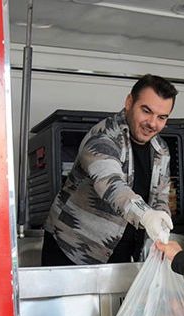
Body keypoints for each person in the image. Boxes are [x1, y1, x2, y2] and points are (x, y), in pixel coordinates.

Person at [42, 74, 177, 265]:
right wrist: (145, 215)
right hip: (73, 248)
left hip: (123, 252)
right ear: (129, 102)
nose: (153, 123)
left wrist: (160, 223)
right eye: (146, 111)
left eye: (162, 117)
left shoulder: (160, 149)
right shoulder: (103, 138)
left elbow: (160, 197)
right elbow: (111, 184)